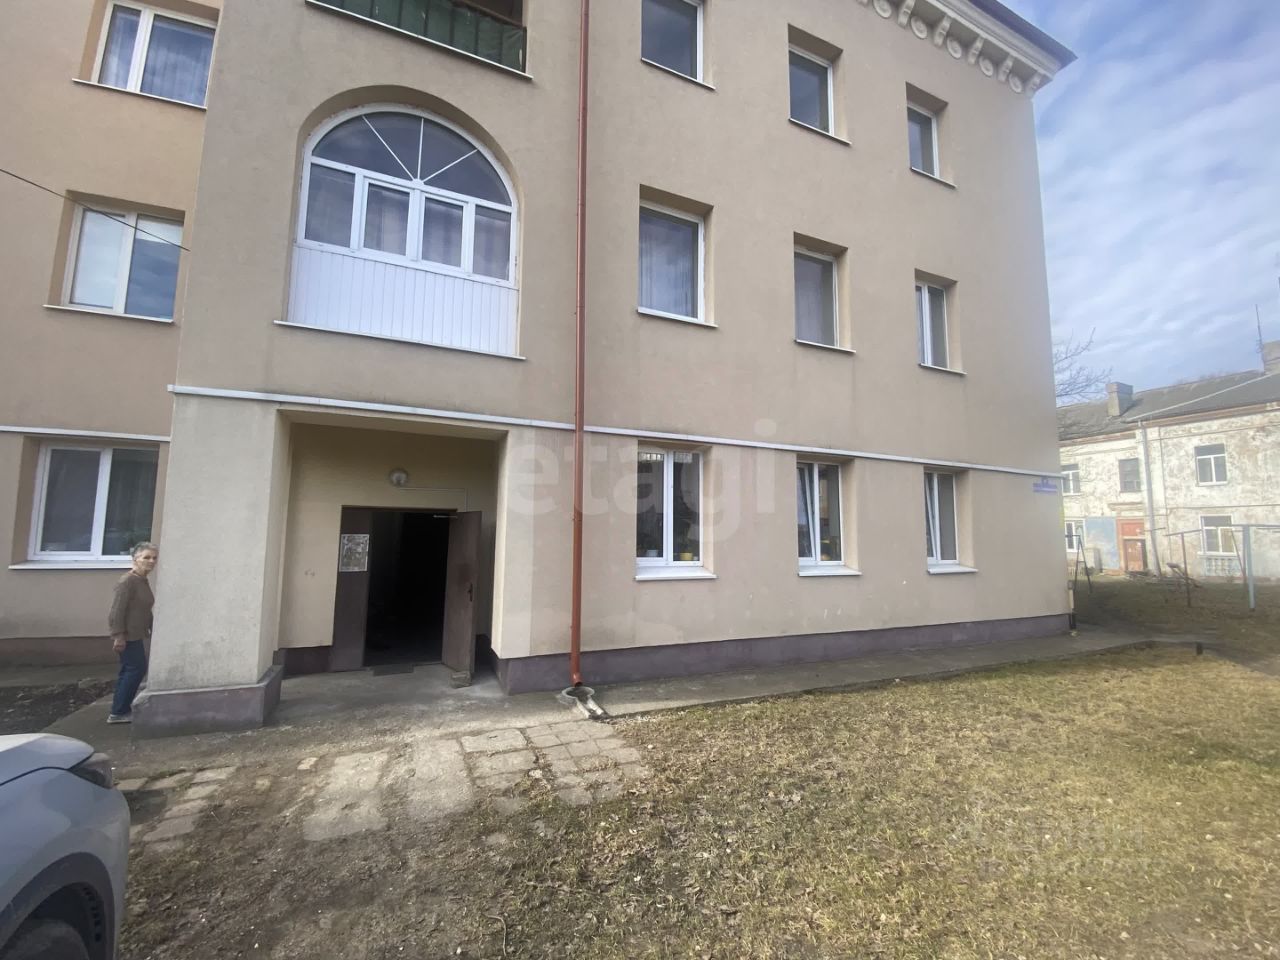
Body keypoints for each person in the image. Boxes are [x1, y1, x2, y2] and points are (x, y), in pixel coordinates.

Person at [107, 542, 158, 724]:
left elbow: (144, 609)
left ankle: (119, 709)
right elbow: (116, 611)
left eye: (154, 558)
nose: (151, 561)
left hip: (137, 633)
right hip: (127, 635)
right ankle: (119, 712)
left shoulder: (142, 580)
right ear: (135, 559)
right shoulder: (127, 581)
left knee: (130, 669)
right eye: (146, 557)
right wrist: (118, 636)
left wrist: (153, 627)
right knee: (136, 669)